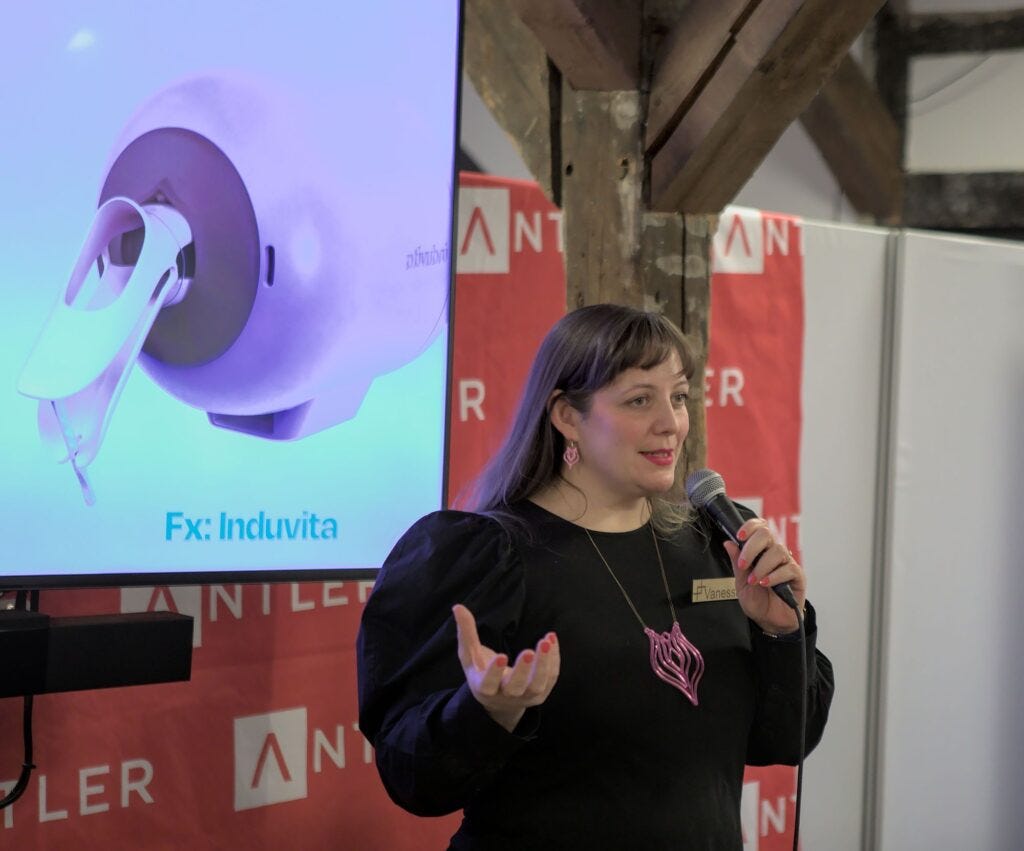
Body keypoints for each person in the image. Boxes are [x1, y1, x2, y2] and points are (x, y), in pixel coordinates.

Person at [357, 304, 834, 850]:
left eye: (679, 397)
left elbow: (784, 740)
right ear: (567, 416)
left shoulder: (720, 542)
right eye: (639, 400)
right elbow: (414, 779)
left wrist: (781, 633)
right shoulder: (482, 557)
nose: (671, 423)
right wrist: (488, 711)